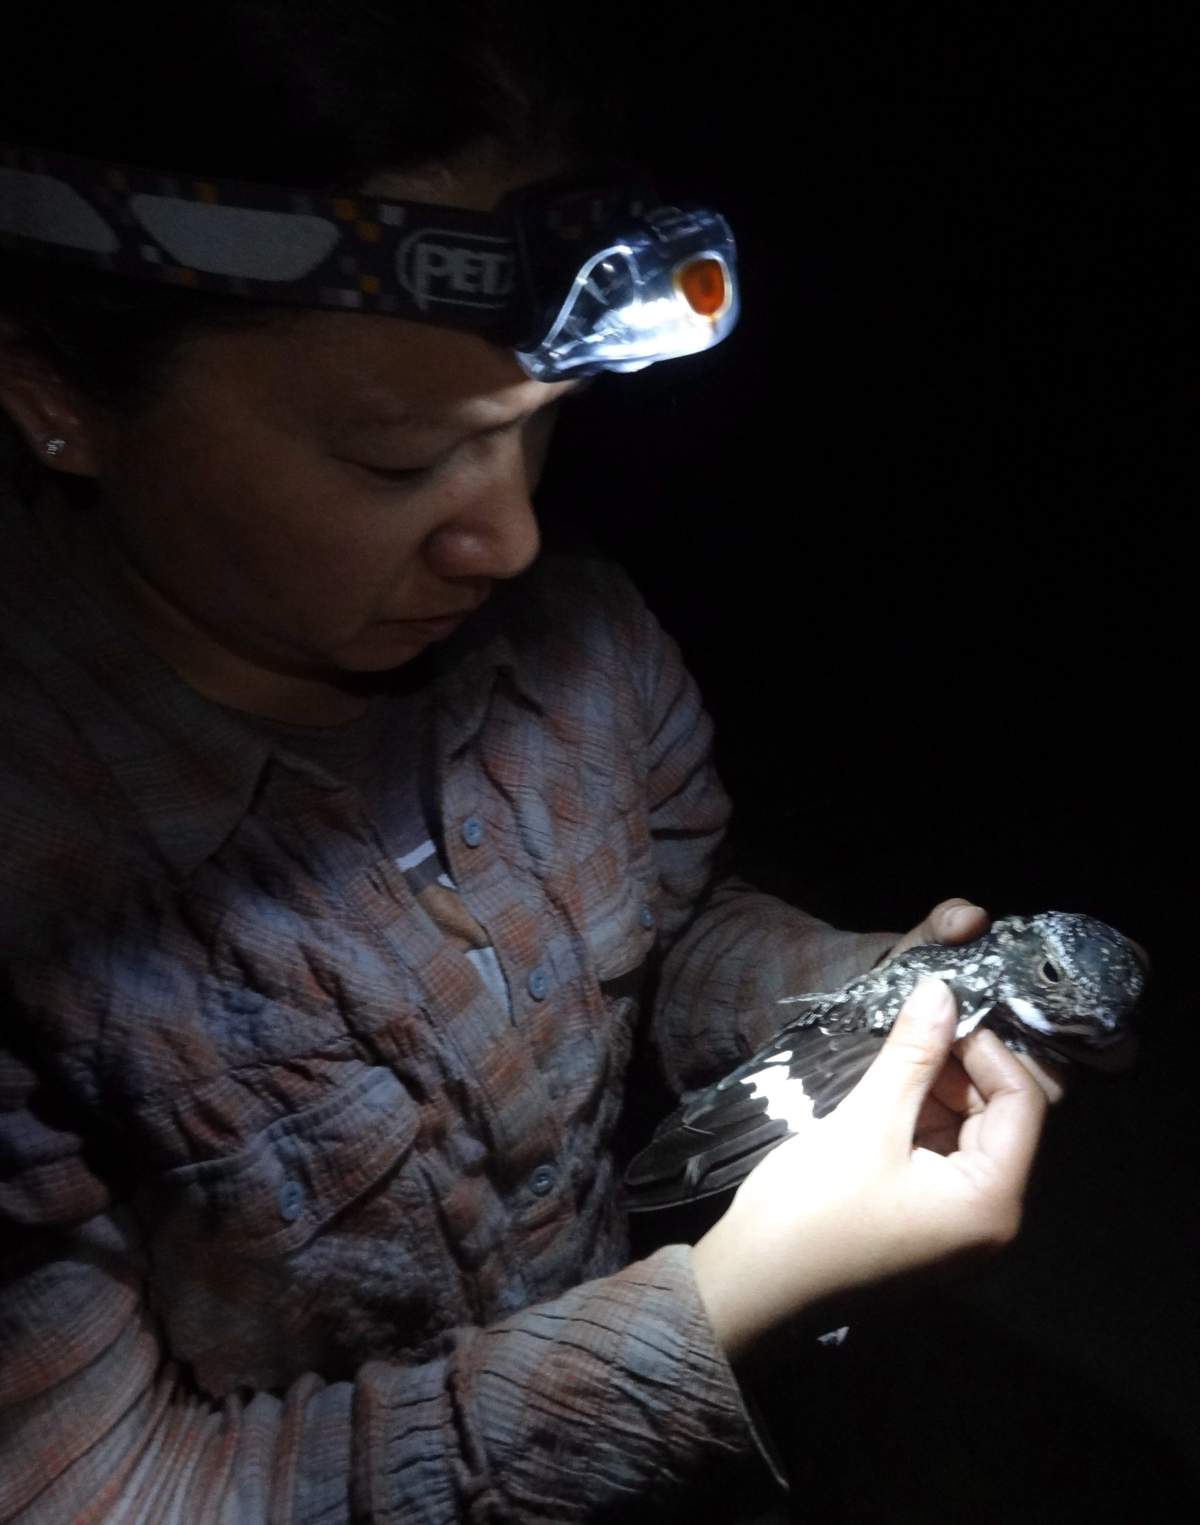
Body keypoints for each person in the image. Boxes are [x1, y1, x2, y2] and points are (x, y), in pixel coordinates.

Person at [0, 5, 1057, 1520]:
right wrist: (710, 1317)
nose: (510, 538)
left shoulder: (584, 648)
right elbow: (119, 1491)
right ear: (56, 396)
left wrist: (850, 998)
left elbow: (665, 940)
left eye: (540, 425)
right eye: (397, 460)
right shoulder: (34, 882)